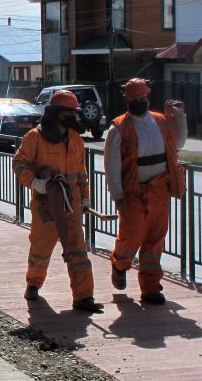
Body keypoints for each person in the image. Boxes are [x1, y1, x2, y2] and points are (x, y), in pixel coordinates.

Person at [12, 90, 102, 312]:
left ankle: (83, 297)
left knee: (78, 251)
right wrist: (37, 184)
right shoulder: (35, 138)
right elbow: (19, 164)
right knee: (41, 248)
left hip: (71, 205)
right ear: (58, 113)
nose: (73, 116)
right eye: (69, 112)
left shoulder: (75, 140)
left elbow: (81, 172)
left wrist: (85, 196)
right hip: (47, 205)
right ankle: (33, 283)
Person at [105, 78, 187, 305]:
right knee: (132, 235)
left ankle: (151, 288)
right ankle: (119, 264)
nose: (139, 102)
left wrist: (180, 116)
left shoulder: (161, 121)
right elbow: (111, 165)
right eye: (135, 99)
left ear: (148, 97)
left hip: (159, 189)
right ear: (127, 100)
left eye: (142, 98)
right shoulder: (119, 128)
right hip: (133, 192)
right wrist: (117, 195)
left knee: (155, 238)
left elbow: (178, 143)